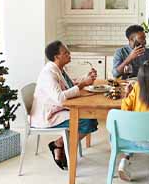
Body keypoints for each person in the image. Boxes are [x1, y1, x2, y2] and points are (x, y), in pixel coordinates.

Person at [30, 41, 99, 170]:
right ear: (57, 57)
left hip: (58, 110)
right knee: (88, 122)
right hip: (48, 115)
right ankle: (62, 146)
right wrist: (83, 84)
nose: (69, 54)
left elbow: (70, 86)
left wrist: (85, 78)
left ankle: (58, 144)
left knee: (90, 119)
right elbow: (60, 98)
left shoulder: (59, 69)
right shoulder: (48, 73)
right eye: (65, 53)